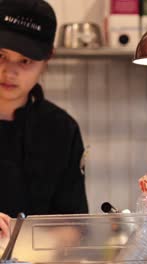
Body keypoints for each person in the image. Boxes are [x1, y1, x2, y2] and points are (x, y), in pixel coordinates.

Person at [0, 0, 88, 238]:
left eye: (25, 61)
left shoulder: (61, 129)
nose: (9, 71)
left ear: (48, 58)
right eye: (1, 55)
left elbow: (74, 225)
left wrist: (21, 246)